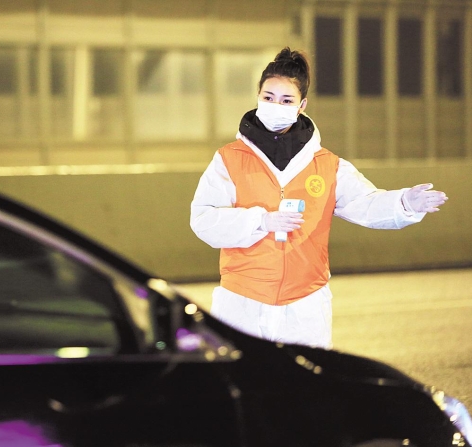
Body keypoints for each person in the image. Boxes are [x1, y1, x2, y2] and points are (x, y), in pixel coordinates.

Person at [189, 47, 448, 349]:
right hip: (242, 302)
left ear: (302, 105)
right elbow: (203, 219)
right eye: (268, 97)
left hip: (305, 306)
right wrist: (261, 221)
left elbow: (365, 203)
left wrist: (404, 204)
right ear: (258, 97)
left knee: (307, 380)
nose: (276, 105)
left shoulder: (327, 165)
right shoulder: (229, 159)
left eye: (287, 100)